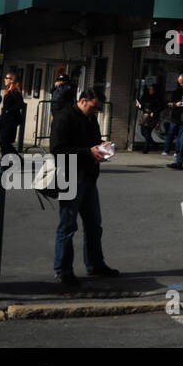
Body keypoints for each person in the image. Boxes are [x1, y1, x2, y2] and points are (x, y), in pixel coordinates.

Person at [50, 88, 119, 286]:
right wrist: (88, 152)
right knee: (68, 226)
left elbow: (93, 143)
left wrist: (102, 147)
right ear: (82, 101)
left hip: (88, 177)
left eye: (98, 109)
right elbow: (58, 150)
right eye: (93, 107)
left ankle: (95, 264)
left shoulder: (90, 119)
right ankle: (63, 270)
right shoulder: (64, 118)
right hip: (71, 177)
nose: (95, 111)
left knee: (94, 225)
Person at [0, 71, 25, 155]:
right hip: (5, 119)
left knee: (4, 141)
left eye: (6, 78)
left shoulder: (14, 91)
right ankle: (16, 160)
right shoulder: (8, 91)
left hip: (10, 120)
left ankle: (5, 163)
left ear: (12, 80)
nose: (4, 79)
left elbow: (20, 104)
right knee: (3, 141)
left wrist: (9, 110)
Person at [137, 83, 162, 154]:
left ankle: (146, 149)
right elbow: (141, 106)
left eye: (152, 89)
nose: (150, 91)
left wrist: (154, 112)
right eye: (150, 89)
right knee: (143, 132)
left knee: (147, 132)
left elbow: (161, 106)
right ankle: (154, 144)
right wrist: (138, 105)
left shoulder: (158, 97)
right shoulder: (145, 96)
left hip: (152, 116)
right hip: (145, 115)